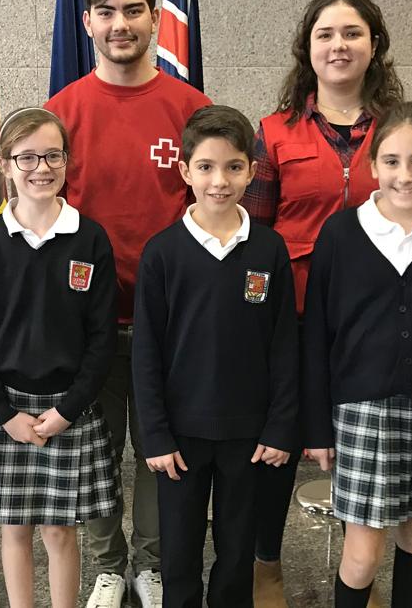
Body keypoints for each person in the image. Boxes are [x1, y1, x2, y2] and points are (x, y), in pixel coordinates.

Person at [44, 0, 212, 608]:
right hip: (88, 325)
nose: (120, 24)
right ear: (87, 21)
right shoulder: (62, 113)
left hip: (172, 321)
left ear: (154, 18)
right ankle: (108, 566)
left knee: (158, 450)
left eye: (133, 10)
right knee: (95, 452)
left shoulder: (191, 109)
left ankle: (151, 564)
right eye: (106, 12)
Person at [241, 0, 404, 608]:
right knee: (281, 442)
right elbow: (253, 235)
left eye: (352, 34)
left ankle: (361, 562)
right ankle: (266, 565)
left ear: (374, 45)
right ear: (307, 50)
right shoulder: (274, 131)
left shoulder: (399, 128)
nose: (339, 46)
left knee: (367, 440)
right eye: (326, 35)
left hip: (376, 319)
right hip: (294, 314)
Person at [301, 102, 412, 607]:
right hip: (362, 411)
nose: (405, 176)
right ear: (373, 165)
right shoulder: (341, 234)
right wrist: (316, 427)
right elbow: (316, 335)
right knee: (362, 553)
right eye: (392, 161)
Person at [132, 105, 298, 608]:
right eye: (205, 167)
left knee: (237, 547)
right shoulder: (162, 253)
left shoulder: (269, 250)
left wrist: (279, 426)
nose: (219, 181)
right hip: (180, 435)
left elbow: (284, 344)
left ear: (251, 170)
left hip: (248, 435)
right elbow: (147, 353)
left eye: (232, 167)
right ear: (184, 172)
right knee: (179, 552)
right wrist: (155, 436)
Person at [0, 107, 121, 608]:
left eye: (52, 155)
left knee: (60, 532)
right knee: (14, 531)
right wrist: (4, 415)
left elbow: (102, 337)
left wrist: (68, 410)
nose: (40, 167)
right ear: (4, 164)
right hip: (7, 409)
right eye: (25, 157)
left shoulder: (89, 238)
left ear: (68, 161)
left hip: (67, 409)